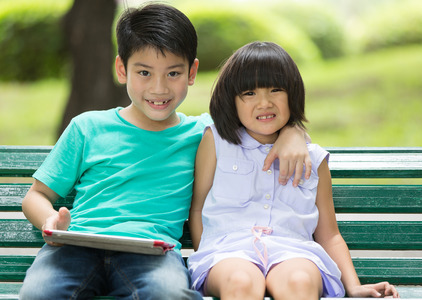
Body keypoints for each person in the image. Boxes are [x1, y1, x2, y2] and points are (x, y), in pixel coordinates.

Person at [19, 4, 311, 300]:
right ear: (122, 69)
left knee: (168, 294)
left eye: (173, 73)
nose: (158, 88)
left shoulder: (205, 133)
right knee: (39, 294)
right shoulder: (88, 127)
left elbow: (262, 122)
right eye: (144, 72)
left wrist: (293, 132)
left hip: (151, 252)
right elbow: (36, 195)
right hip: (76, 246)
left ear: (192, 72)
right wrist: (49, 221)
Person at [188, 41, 400, 300]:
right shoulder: (217, 142)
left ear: (293, 94)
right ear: (231, 100)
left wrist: (353, 286)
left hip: (293, 251)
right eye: (249, 93)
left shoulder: (313, 159)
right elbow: (198, 208)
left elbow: (329, 234)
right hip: (227, 252)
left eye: (276, 90)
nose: (264, 102)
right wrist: (207, 256)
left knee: (300, 282)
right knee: (241, 282)